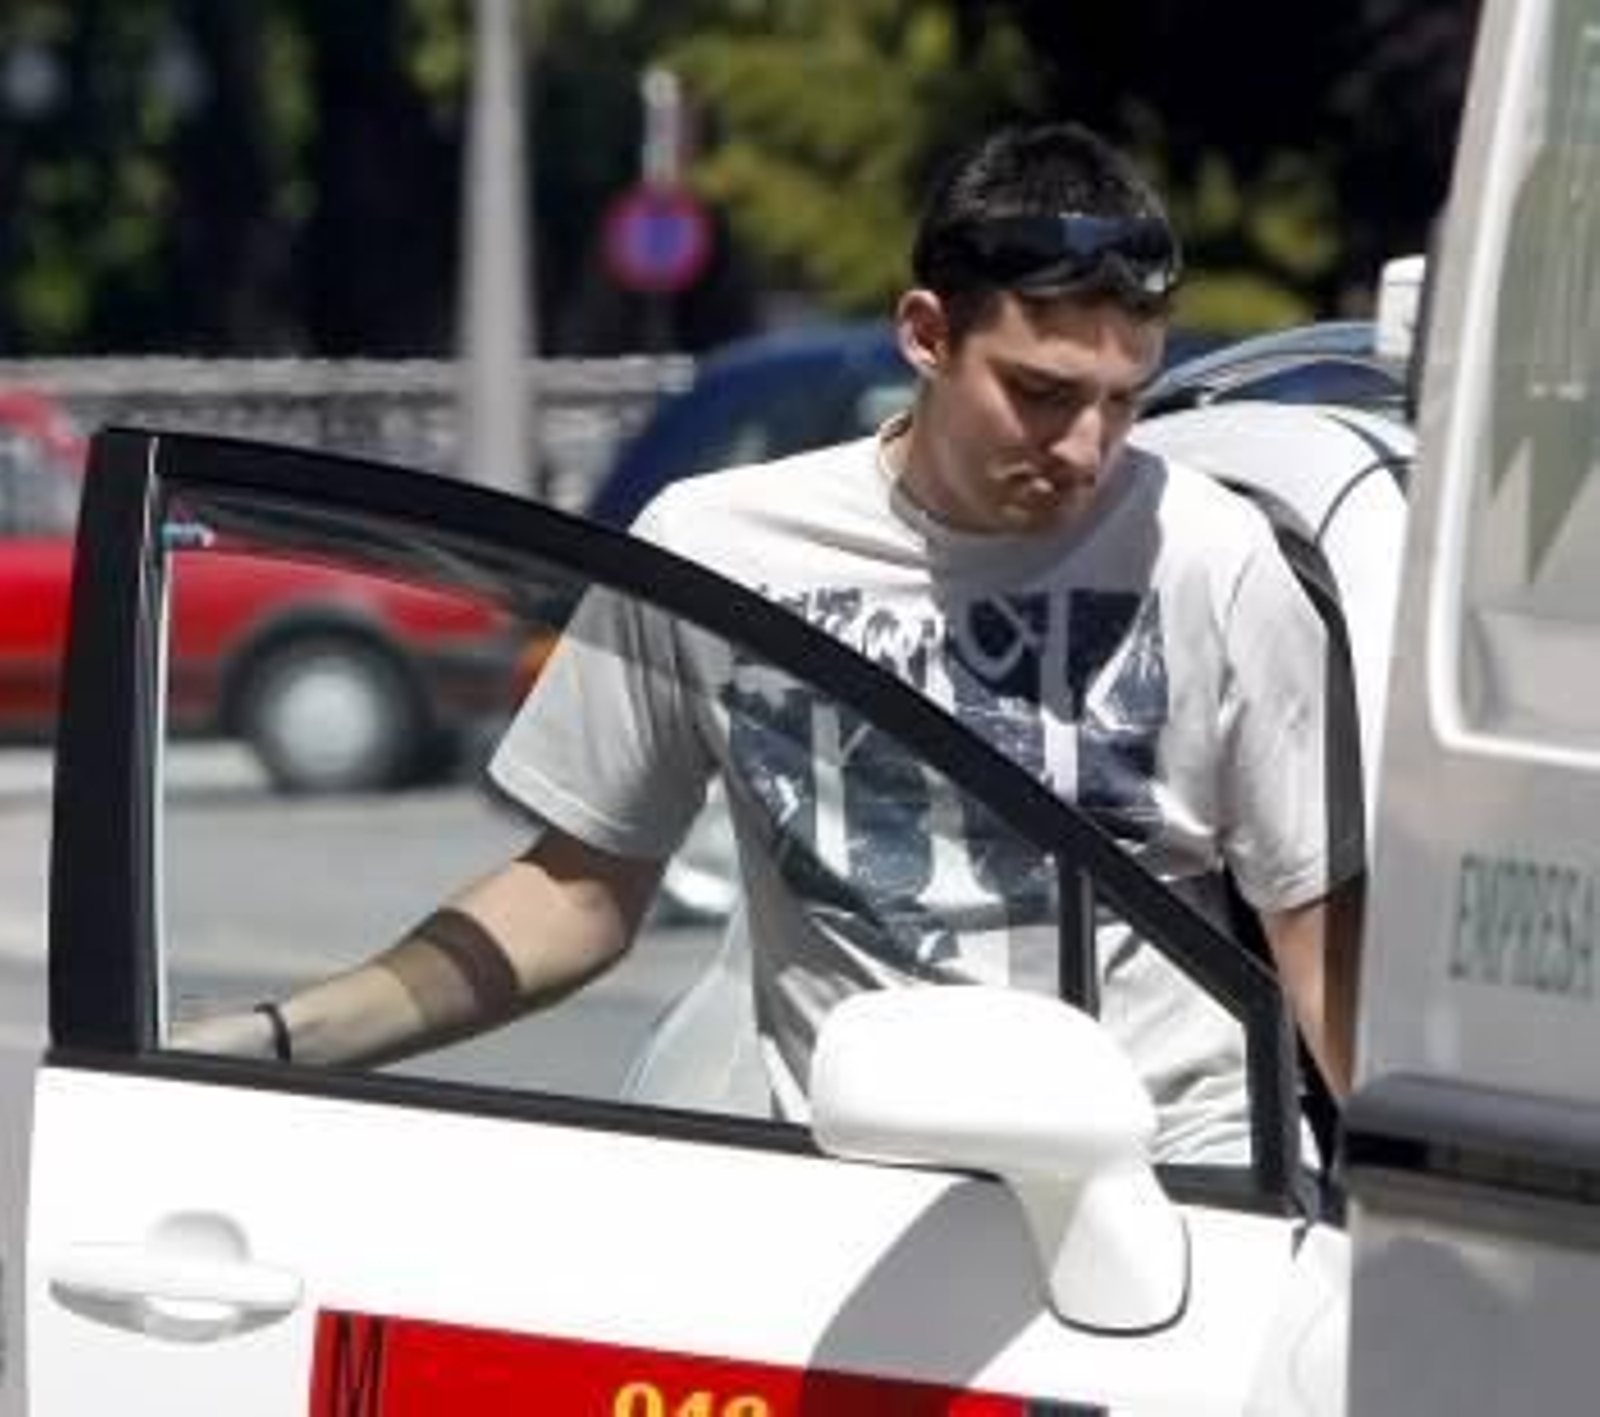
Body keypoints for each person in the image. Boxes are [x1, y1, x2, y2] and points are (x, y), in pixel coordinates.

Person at [177, 120, 1364, 1156]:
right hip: (852, 1202)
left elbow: (1323, 954)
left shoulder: (1208, 555)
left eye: (1124, 399)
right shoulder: (718, 549)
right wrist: (281, 1037)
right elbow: (576, 892)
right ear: (925, 334)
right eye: (1042, 394)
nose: (1087, 449)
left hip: (1181, 1191)